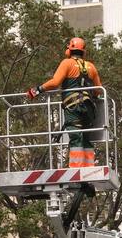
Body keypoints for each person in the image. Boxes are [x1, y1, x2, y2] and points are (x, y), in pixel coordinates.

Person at [27, 37, 103, 169]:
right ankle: (89, 169)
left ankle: (77, 169)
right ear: (83, 51)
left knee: (76, 136)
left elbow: (55, 82)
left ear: (69, 50)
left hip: (74, 108)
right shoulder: (91, 67)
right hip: (89, 109)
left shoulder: (66, 63)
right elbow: (98, 91)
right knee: (85, 138)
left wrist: (37, 90)